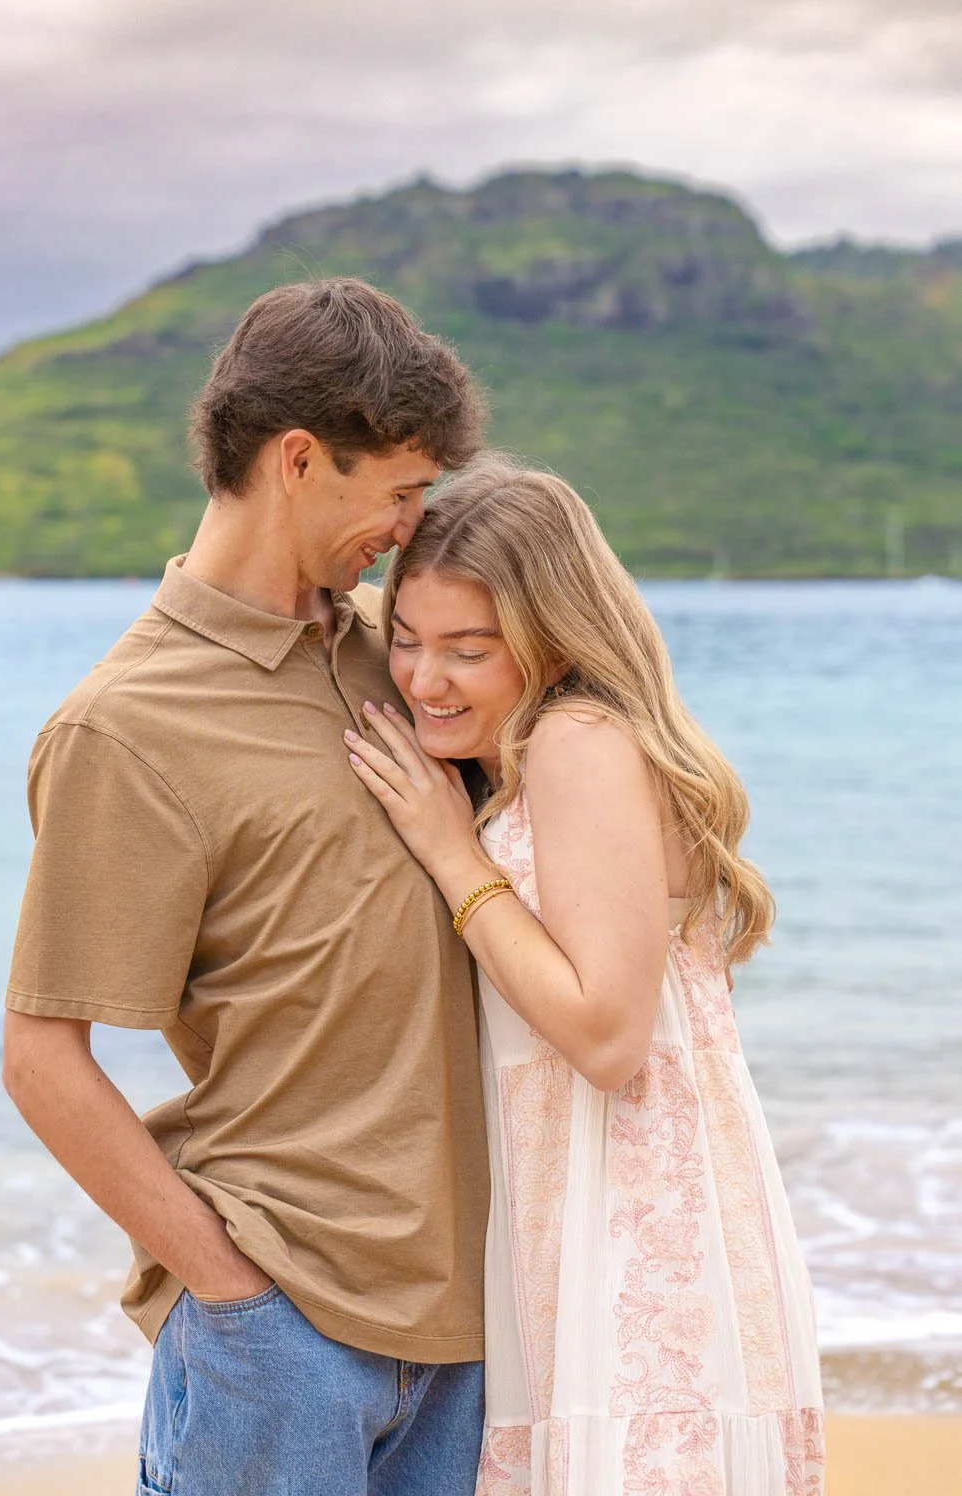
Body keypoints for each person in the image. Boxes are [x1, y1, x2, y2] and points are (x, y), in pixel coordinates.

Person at [2, 278, 491, 1496]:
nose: (413, 522)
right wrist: (233, 1291)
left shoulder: (402, 648)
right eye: (398, 488)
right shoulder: (127, 728)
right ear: (296, 459)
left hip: (472, 1325)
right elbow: (41, 1056)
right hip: (285, 1340)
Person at [346, 458, 825, 1496]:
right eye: (406, 640)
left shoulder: (577, 740)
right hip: (601, 1210)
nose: (423, 681)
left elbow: (606, 1038)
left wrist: (449, 853)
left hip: (633, 1230)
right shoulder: (533, 750)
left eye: (466, 651)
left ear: (550, 640)